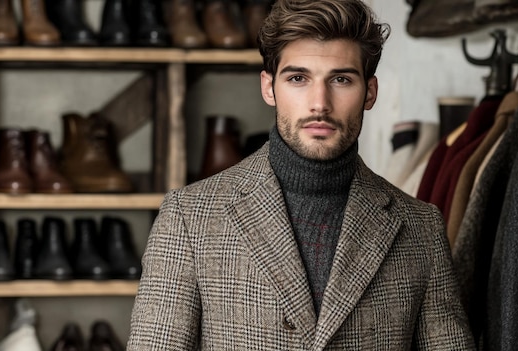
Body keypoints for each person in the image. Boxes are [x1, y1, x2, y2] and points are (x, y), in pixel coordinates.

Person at [127, 0, 475, 349]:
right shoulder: (189, 217)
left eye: (341, 79)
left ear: (370, 92)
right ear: (269, 87)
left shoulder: (421, 227)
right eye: (298, 78)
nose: (319, 103)